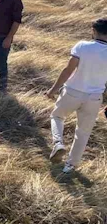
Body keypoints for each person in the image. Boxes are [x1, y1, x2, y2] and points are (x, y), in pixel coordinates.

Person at [46, 18, 107, 175]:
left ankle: (58, 143)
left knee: (57, 117)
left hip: (72, 91)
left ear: (94, 31)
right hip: (94, 97)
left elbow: (68, 70)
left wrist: (53, 89)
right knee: (83, 132)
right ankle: (70, 166)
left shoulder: (82, 46)